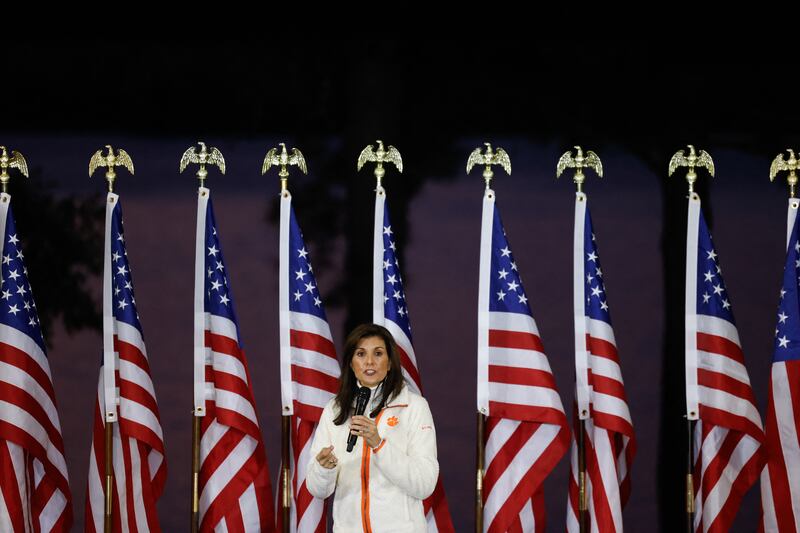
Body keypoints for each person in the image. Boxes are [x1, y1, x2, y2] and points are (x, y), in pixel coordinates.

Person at [306, 323, 439, 532]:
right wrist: (324, 468)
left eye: (378, 353)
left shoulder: (414, 407)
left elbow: (424, 484)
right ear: (350, 363)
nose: (369, 361)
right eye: (360, 354)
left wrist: (379, 445)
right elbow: (317, 489)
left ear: (389, 363)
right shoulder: (334, 409)